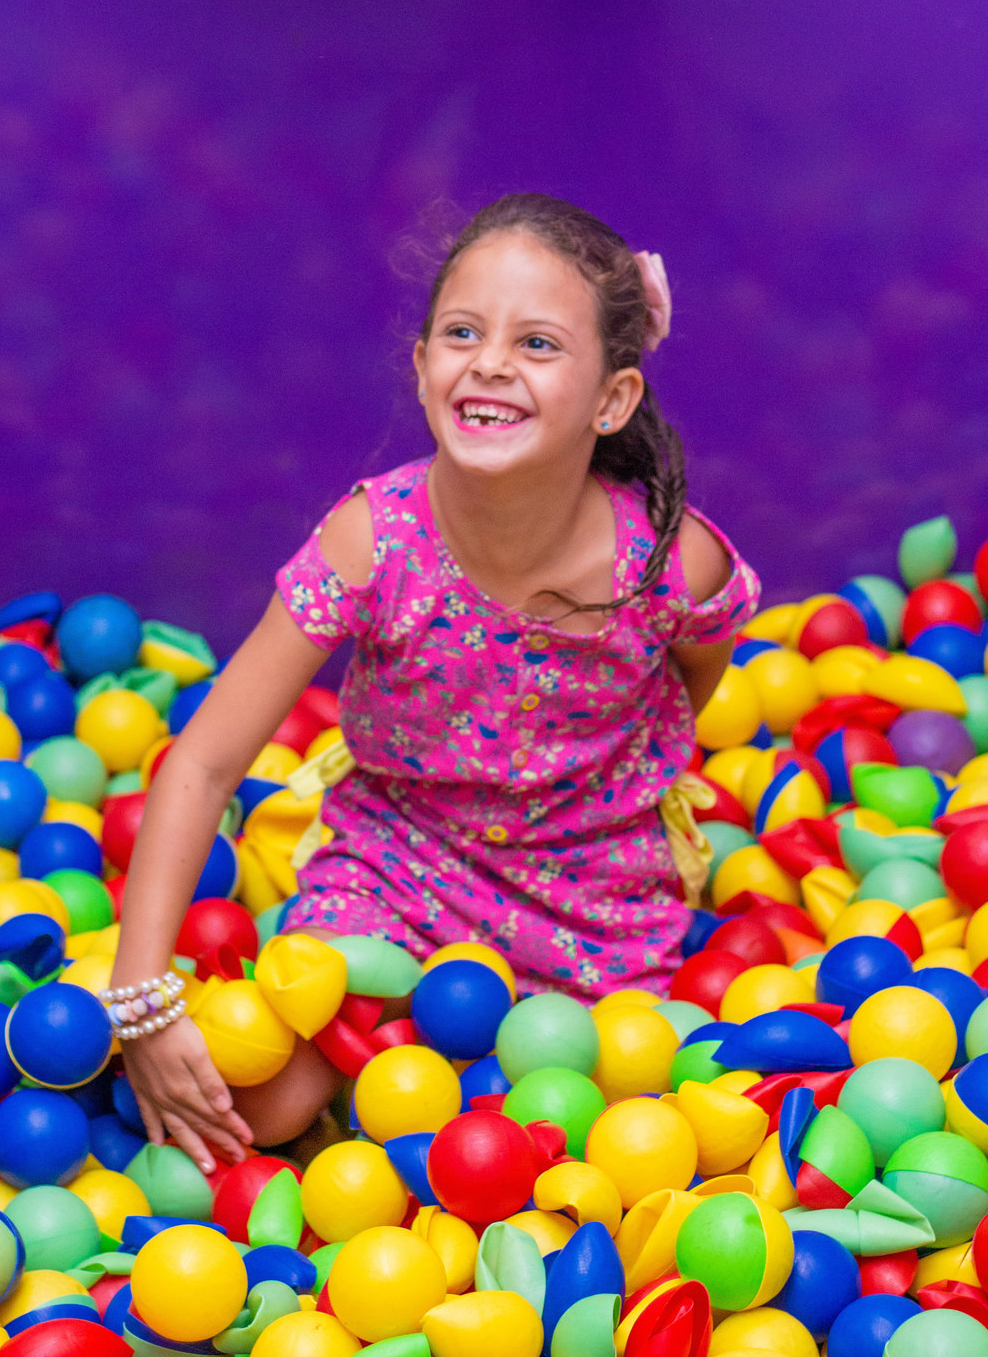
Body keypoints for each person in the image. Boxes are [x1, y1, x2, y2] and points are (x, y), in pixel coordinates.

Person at [114, 192, 760, 1168]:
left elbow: (692, 673)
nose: (492, 361)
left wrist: (628, 786)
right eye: (463, 332)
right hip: (399, 858)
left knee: (590, 1130)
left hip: (592, 889)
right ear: (423, 370)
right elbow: (203, 763)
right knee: (270, 1106)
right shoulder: (374, 542)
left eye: (537, 344)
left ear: (612, 399)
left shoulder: (669, 561)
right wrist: (141, 1002)